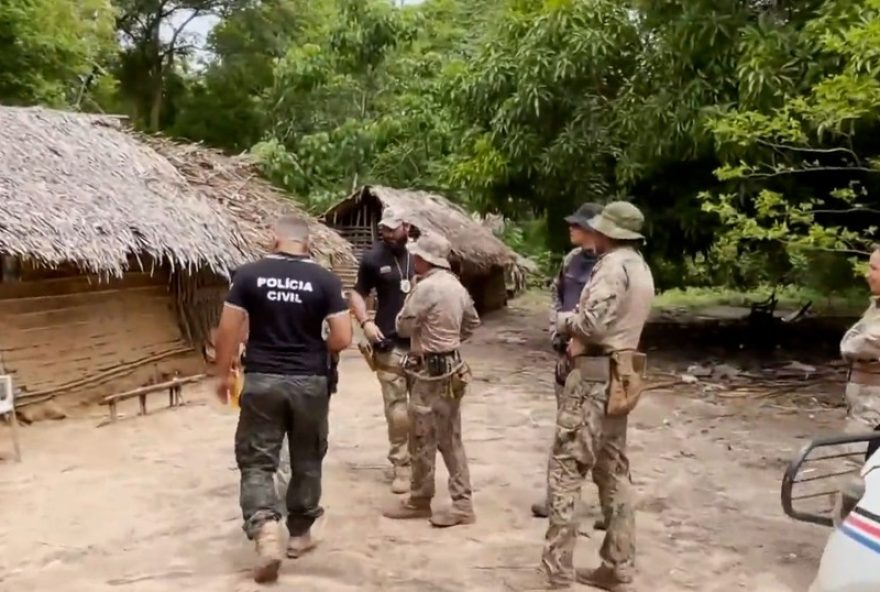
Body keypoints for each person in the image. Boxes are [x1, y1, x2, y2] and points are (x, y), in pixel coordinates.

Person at [213, 214, 352, 584]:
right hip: (311, 382)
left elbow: (227, 330)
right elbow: (342, 337)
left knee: (258, 459)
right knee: (307, 456)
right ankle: (301, 534)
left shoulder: (248, 275)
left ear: (274, 238)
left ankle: (265, 530)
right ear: (307, 242)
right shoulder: (325, 279)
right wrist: (314, 349)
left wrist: (223, 375)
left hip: (262, 380)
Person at [539, 201, 655, 591]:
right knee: (613, 472)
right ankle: (618, 566)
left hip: (592, 376)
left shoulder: (611, 267)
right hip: (621, 375)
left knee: (566, 471)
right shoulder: (640, 267)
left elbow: (591, 324)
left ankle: (557, 571)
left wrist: (563, 322)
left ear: (609, 232)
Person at [381, 231, 481, 528]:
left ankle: (421, 498)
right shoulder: (457, 287)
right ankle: (461, 501)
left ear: (424, 259)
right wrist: (450, 341)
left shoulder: (426, 288)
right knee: (451, 437)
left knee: (422, 435)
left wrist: (429, 340)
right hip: (452, 366)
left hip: (430, 371)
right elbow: (472, 322)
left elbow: (403, 326)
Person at [532, 201, 604, 519]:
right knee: (565, 429)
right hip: (567, 356)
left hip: (595, 358)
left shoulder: (609, 266)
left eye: (578, 225)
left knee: (600, 435)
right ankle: (556, 498)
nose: (571, 228)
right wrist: (556, 331)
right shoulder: (572, 260)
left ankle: (607, 506)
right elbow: (556, 294)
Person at [348, 207, 416, 494]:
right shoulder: (373, 258)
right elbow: (357, 293)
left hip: (424, 346)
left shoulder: (422, 257)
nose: (386, 234)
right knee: (397, 410)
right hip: (389, 344)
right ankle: (402, 465)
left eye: (392, 229)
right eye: (384, 228)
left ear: (407, 227)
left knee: (423, 409)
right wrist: (365, 322)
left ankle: (422, 465)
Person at [840, 246, 880, 438]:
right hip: (866, 403)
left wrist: (852, 340)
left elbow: (855, 346)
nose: (867, 274)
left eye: (874, 268)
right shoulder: (876, 306)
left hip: (873, 408)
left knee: (855, 451)